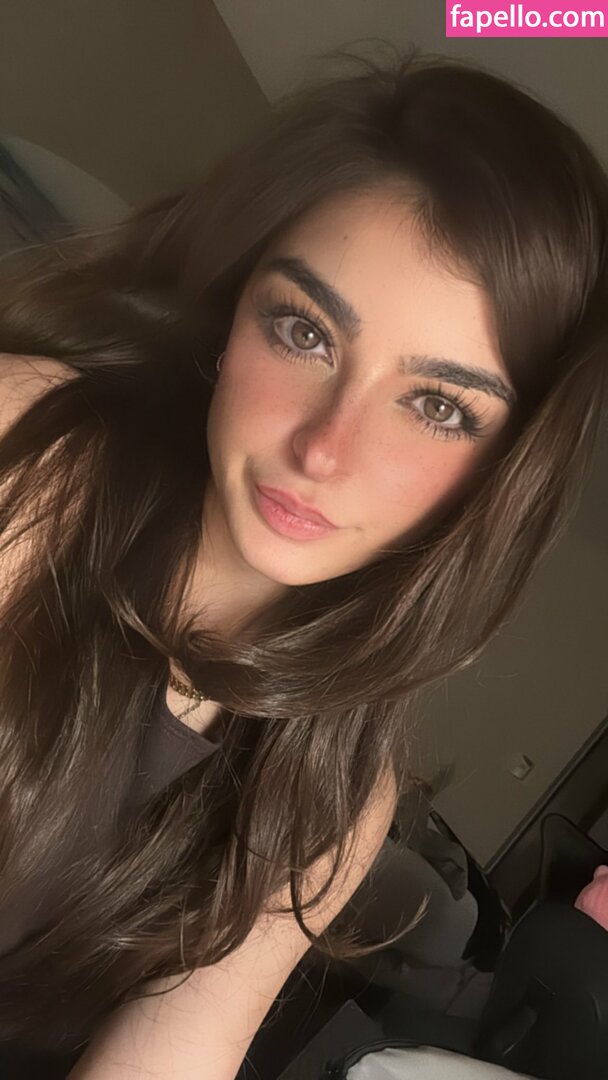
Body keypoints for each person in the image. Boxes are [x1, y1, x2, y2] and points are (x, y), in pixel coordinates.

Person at [0, 41, 605, 1079]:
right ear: (233, 315)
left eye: (436, 406)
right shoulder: (27, 455)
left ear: (497, 480)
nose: (326, 449)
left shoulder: (336, 798)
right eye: (305, 332)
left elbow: (171, 1056)